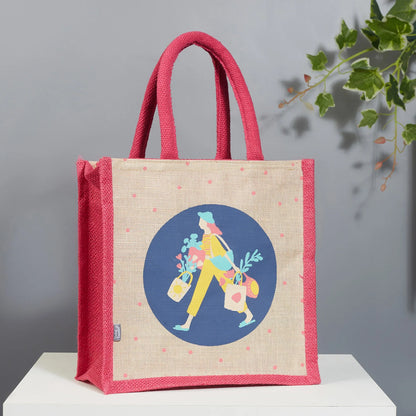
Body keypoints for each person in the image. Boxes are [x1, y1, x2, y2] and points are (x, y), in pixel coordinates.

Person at [173, 211, 255, 331]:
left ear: (206, 222)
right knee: (199, 291)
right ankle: (187, 324)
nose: (199, 222)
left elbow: (223, 253)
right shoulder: (205, 235)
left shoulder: (212, 237)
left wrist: (234, 266)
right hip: (208, 265)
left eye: (201, 220)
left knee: (229, 289)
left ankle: (248, 314)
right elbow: (205, 252)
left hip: (217, 265)